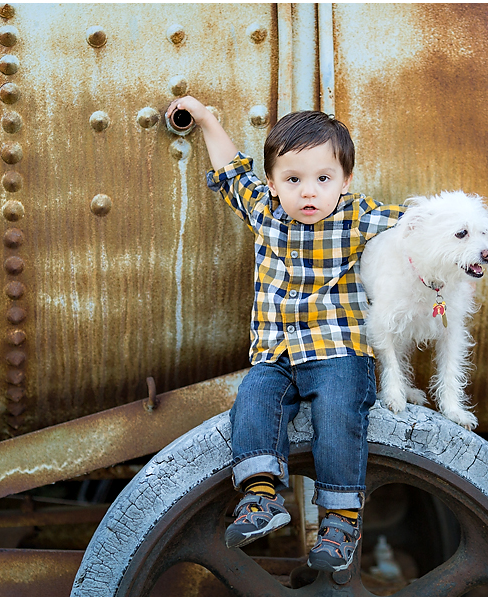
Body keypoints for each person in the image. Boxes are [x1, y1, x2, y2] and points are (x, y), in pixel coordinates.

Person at [166, 97, 405, 573]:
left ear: (346, 181)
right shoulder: (266, 213)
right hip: (276, 353)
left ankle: (340, 521)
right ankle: (261, 498)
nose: (309, 192)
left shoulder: (360, 217)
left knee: (337, 416)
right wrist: (207, 118)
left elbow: (418, 228)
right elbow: (232, 173)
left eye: (323, 179)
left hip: (338, 351)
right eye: (293, 180)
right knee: (252, 398)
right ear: (274, 184)